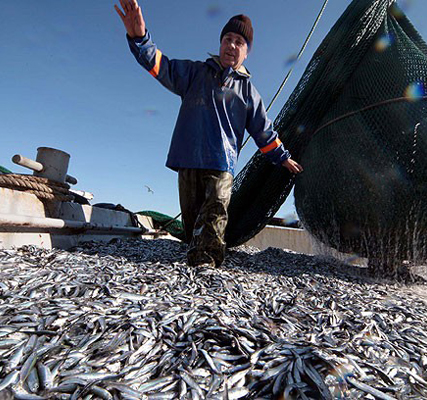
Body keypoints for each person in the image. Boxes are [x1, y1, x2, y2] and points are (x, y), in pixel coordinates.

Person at [115, 0, 303, 267]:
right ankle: (196, 259)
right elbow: (160, 65)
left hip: (220, 164)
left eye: (239, 42)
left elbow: (264, 132)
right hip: (188, 160)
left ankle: (208, 266)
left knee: (215, 214)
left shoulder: (249, 93)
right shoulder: (194, 73)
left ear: (247, 52)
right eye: (228, 38)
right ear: (220, 42)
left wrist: (283, 158)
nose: (232, 45)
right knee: (193, 226)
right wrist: (139, 37)